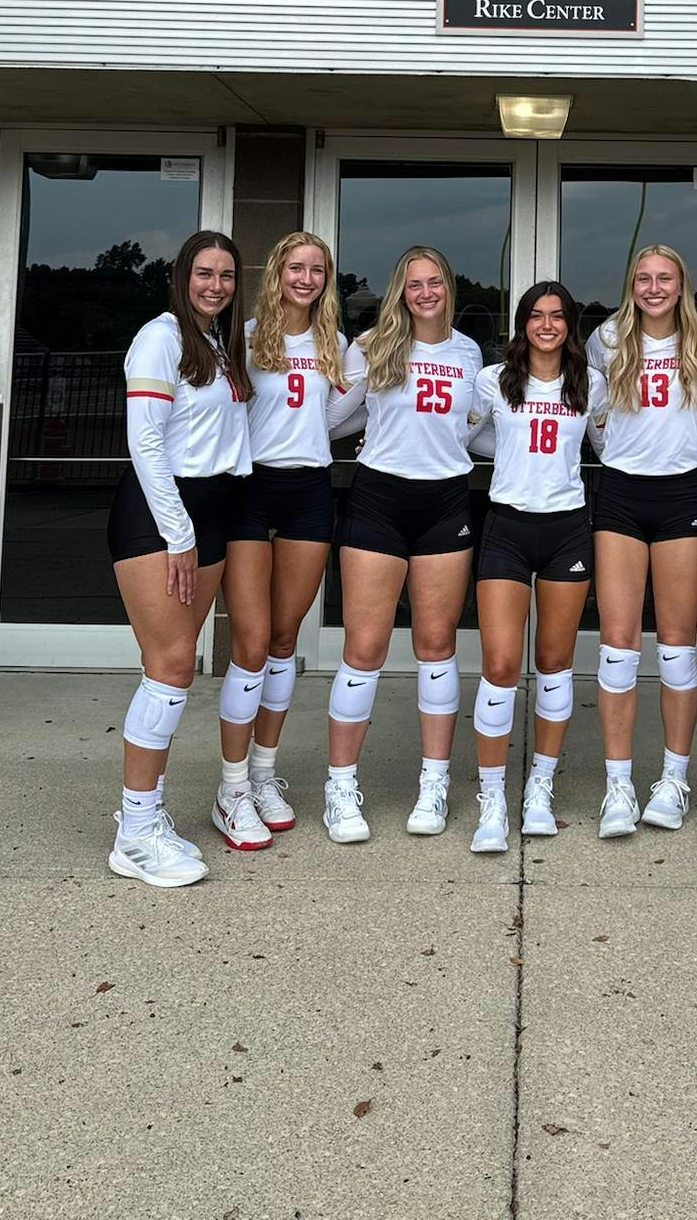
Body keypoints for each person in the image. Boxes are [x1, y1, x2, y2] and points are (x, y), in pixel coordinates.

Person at [105, 231, 253, 888]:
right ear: (181, 276)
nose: (215, 284)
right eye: (203, 273)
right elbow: (145, 441)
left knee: (175, 669)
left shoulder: (220, 343)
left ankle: (148, 815)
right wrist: (179, 532)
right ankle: (134, 832)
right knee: (167, 669)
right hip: (163, 515)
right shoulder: (160, 336)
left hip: (212, 510)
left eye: (225, 275)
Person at [322, 246, 483, 843]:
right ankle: (340, 786)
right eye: (413, 284)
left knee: (437, 644)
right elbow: (334, 418)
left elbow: (481, 425)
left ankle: (433, 783)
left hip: (445, 501)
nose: (424, 293)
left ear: (449, 287)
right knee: (364, 648)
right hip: (379, 499)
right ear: (400, 291)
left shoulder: (470, 354)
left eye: (434, 281)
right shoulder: (372, 347)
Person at [214, 231, 360, 848]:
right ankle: (231, 785)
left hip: (308, 488)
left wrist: (311, 438)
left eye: (317, 270)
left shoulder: (336, 344)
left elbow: (342, 413)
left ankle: (265, 774)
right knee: (248, 641)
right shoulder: (243, 338)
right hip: (250, 486)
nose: (306, 278)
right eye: (296, 267)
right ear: (277, 272)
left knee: (282, 637)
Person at [464, 282, 606, 853]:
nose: (546, 326)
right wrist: (520, 456)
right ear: (522, 323)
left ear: (570, 323)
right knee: (500, 663)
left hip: (567, 525)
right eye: (536, 316)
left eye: (557, 317)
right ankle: (492, 796)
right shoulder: (492, 380)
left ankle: (540, 788)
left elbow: (602, 440)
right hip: (507, 526)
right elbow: (468, 435)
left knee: (553, 661)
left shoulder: (590, 382)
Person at [586, 244, 697, 837]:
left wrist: (691, 454)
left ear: (681, 283)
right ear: (630, 283)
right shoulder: (607, 337)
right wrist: (614, 453)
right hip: (620, 493)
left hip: (681, 495)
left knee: (677, 645)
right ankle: (619, 784)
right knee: (618, 644)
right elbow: (592, 415)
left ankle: (673, 779)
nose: (653, 286)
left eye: (664, 277)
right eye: (642, 277)